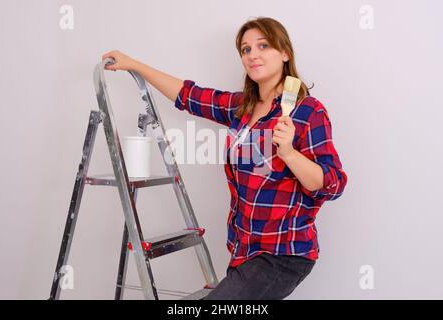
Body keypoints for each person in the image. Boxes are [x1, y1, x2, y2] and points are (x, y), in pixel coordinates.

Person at [102, 16, 348, 300]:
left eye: (263, 45)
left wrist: (289, 153)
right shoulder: (242, 108)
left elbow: (333, 184)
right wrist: (134, 64)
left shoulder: (308, 112)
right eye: (245, 49)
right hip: (244, 251)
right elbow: (189, 95)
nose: (253, 55)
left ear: (284, 53)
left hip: (283, 253)